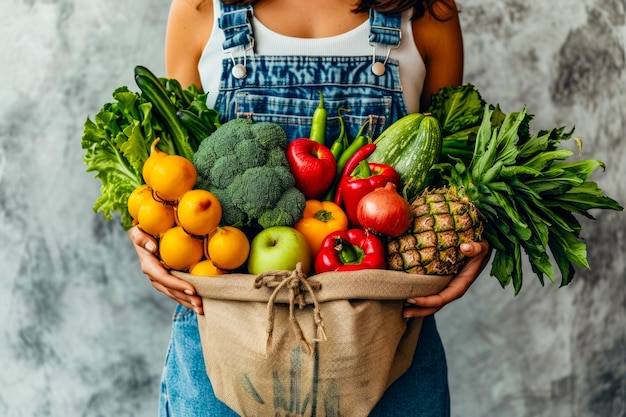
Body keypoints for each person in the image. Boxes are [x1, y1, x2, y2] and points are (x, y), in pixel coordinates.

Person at [128, 0, 491, 415]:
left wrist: (475, 238)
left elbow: (453, 169)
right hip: (225, 348)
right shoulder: (200, 9)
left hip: (383, 349)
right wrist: (146, 228)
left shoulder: (426, 12)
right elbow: (174, 172)